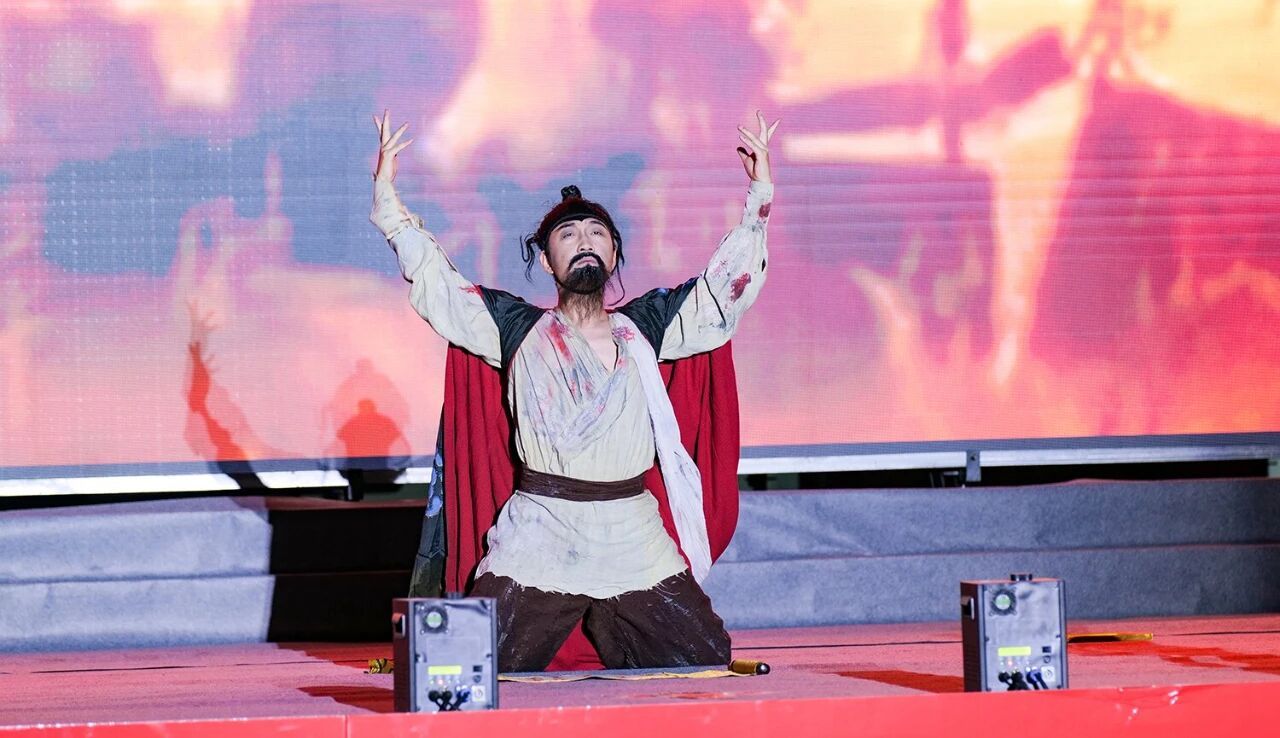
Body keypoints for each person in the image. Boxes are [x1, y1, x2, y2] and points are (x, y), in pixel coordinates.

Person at [369, 110, 778, 671]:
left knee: (704, 658)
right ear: (546, 260)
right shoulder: (513, 328)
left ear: (613, 255)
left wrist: (759, 196)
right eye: (568, 235)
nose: (584, 241)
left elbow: (722, 292)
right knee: (466, 666)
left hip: (631, 531)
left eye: (596, 234)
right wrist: (390, 206)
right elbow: (439, 283)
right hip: (542, 528)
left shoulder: (647, 328)